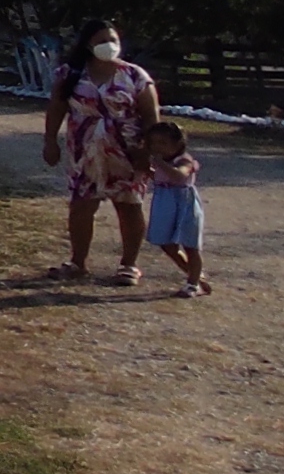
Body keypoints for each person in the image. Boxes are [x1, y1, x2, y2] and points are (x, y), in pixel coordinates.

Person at [40, 18, 157, 284]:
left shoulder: (135, 76)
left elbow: (151, 116)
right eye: (101, 40)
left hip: (127, 151)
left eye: (112, 40)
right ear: (88, 44)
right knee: (81, 206)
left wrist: (147, 151)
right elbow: (56, 109)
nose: (108, 45)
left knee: (128, 205)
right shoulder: (70, 75)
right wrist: (50, 141)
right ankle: (78, 262)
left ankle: (129, 265)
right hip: (85, 150)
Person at [143, 118, 208, 295]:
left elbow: (179, 176)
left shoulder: (183, 160)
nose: (157, 147)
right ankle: (194, 274)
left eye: (163, 143)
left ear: (177, 144)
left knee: (190, 245)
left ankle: (193, 283)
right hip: (164, 201)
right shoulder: (160, 161)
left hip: (183, 202)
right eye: (154, 143)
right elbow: (160, 178)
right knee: (166, 242)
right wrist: (147, 169)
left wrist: (160, 163)